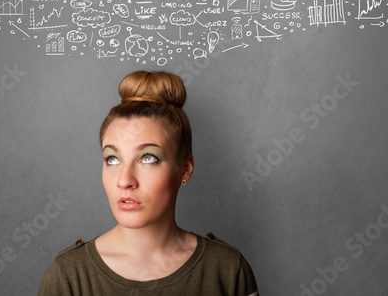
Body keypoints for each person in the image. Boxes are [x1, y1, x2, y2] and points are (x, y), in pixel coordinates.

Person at [37, 70, 259, 295]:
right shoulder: (67, 276)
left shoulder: (229, 270)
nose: (125, 181)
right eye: (112, 159)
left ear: (185, 169)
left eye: (148, 158)